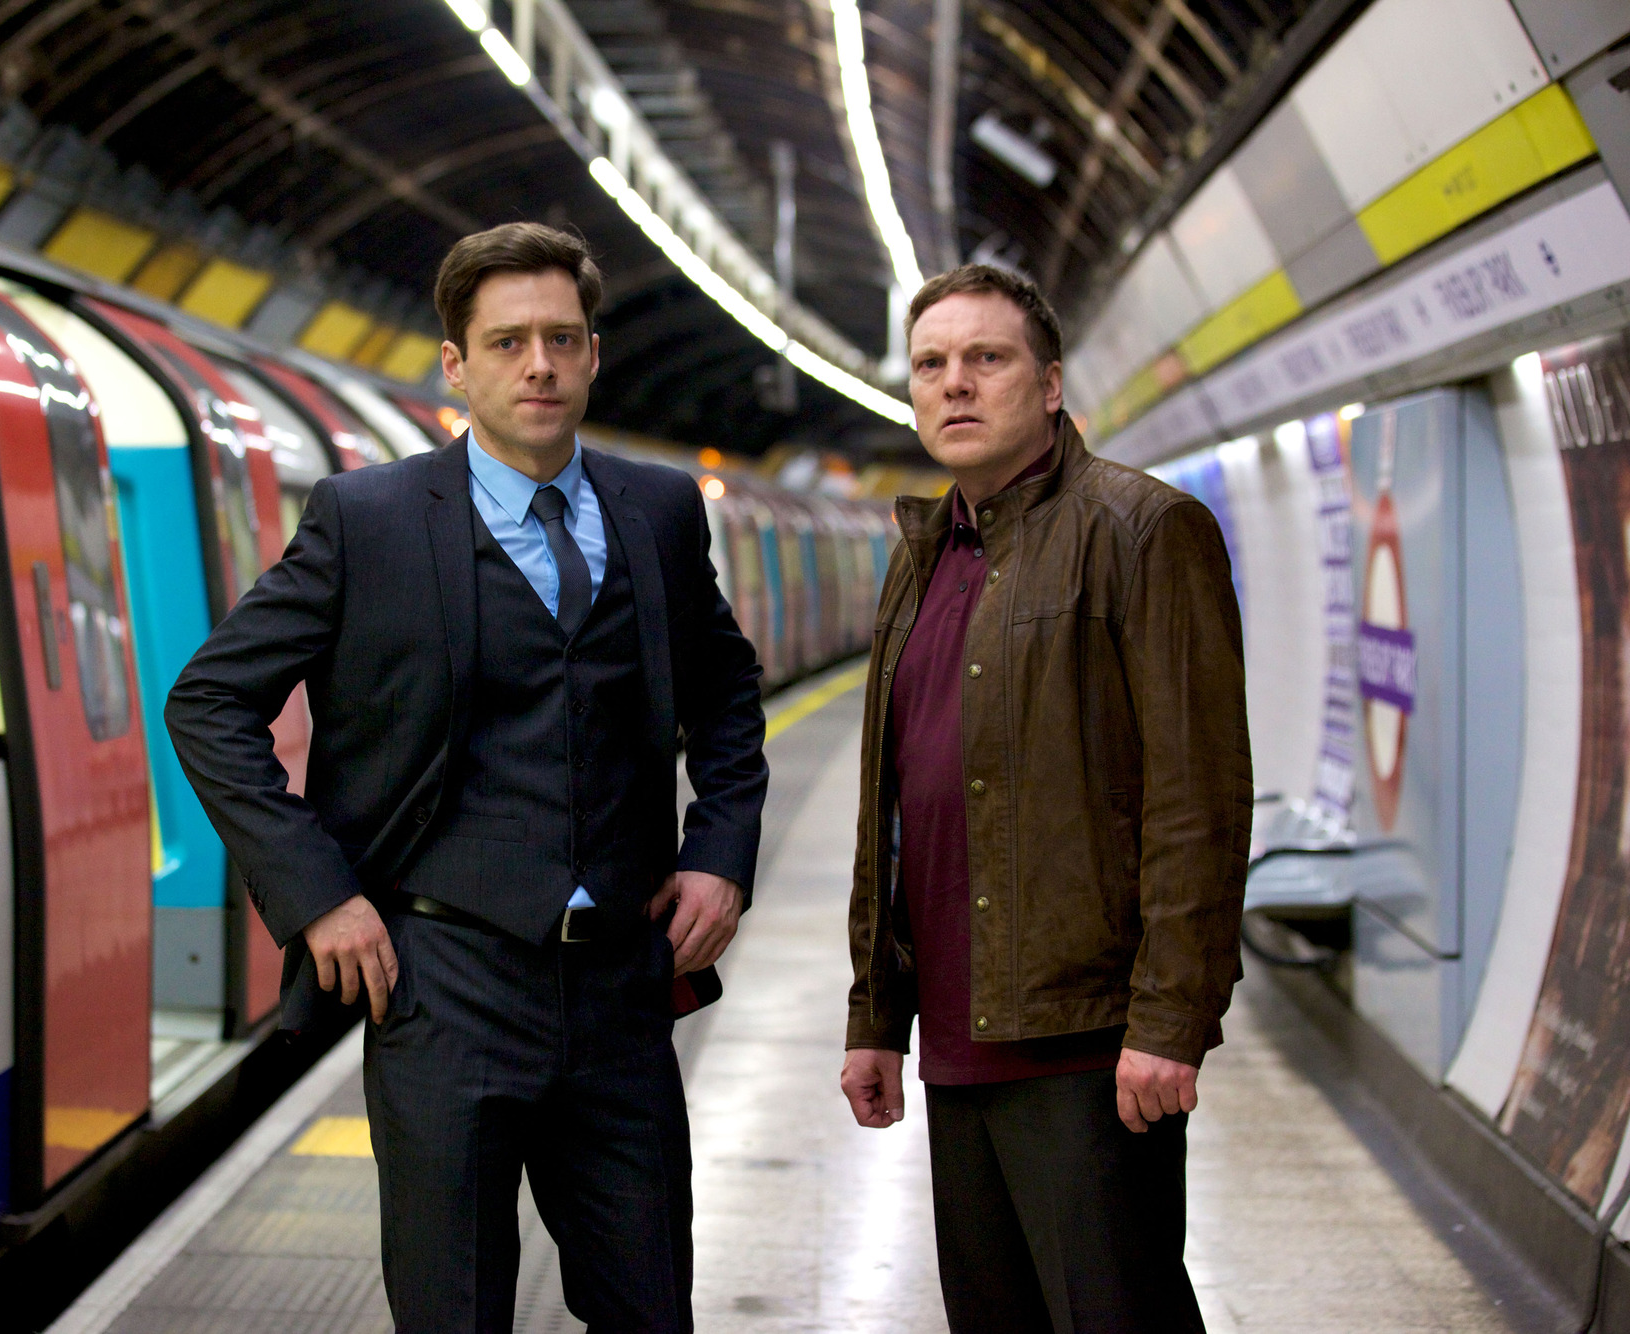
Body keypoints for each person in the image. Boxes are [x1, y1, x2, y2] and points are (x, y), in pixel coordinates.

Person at [165, 221, 767, 1333]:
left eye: (561, 339)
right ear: (456, 364)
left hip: (621, 992)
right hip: (442, 986)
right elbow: (207, 702)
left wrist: (719, 854)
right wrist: (318, 895)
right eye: (506, 343)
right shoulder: (368, 520)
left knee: (649, 1310)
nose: (538, 365)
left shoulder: (660, 511)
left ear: (593, 354)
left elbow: (727, 696)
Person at [838, 264, 1250, 1332]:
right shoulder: (922, 554)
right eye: (931, 364)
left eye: (988, 358)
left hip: (1087, 1044)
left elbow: (1198, 802)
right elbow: (892, 808)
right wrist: (876, 1014)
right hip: (957, 1041)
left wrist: (1171, 1021)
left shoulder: (1141, 531)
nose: (955, 383)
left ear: (1051, 383)